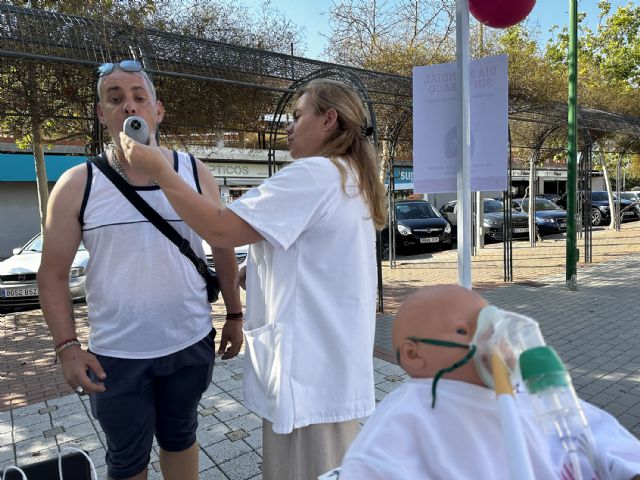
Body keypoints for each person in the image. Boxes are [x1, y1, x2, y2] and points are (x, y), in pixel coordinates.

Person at [119, 78, 387, 479]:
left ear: (328, 119)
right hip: (330, 368)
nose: (289, 127)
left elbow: (222, 228)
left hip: (306, 381)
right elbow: (318, 255)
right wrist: (259, 270)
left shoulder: (313, 174)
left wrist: (160, 168)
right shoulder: (349, 177)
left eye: (298, 116)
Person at [38, 60, 243, 480]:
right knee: (127, 460)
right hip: (117, 355)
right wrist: (67, 347)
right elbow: (53, 273)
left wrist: (235, 316)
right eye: (115, 99)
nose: (128, 106)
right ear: (101, 114)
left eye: (138, 97)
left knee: (181, 436)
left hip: (189, 342)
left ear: (157, 110)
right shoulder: (79, 183)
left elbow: (222, 244)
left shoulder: (193, 171)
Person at [338, 285, 640, 479]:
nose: (494, 340)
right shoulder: (407, 419)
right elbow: (373, 467)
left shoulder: (539, 397)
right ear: (414, 354)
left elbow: (612, 447)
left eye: (495, 327)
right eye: (462, 330)